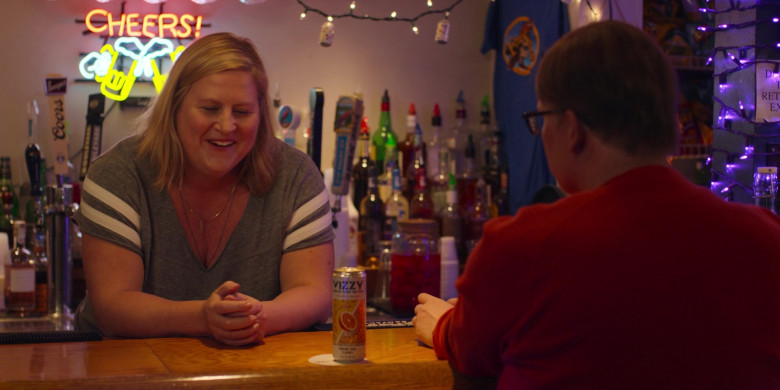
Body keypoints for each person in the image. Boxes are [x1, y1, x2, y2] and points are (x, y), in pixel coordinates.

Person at [413, 20, 780, 388]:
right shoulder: (766, 239)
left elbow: (470, 349)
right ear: (676, 129)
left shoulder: (520, 248)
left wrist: (444, 324)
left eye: (540, 119)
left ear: (572, 130)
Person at [74, 32, 334, 346]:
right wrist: (203, 318)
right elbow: (113, 307)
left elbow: (316, 293)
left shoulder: (295, 175)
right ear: (174, 108)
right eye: (210, 109)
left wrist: (256, 316)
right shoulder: (117, 174)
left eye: (242, 112)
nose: (227, 126)